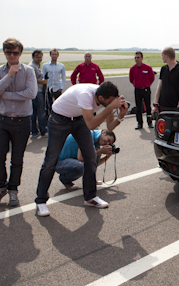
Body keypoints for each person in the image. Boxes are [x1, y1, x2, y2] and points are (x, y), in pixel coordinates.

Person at [35, 81, 128, 217]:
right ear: (101, 98)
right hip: (59, 118)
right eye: (111, 102)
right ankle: (41, 201)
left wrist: (120, 116)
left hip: (79, 119)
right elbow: (91, 124)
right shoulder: (86, 95)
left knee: (90, 158)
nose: (112, 104)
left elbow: (110, 127)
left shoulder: (106, 98)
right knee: (51, 161)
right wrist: (109, 108)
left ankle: (90, 197)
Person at [0, 38, 37, 207]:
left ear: (20, 53)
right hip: (1, 119)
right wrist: (9, 76)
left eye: (15, 52)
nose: (11, 56)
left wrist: (6, 94)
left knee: (17, 159)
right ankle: (1, 187)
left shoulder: (28, 71)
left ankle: (13, 191)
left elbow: (31, 93)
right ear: (4, 53)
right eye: (8, 52)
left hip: (22, 121)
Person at [152, 47, 179, 113]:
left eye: (162, 56)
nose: (161, 57)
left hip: (174, 106)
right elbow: (159, 87)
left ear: (166, 56)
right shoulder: (163, 69)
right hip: (162, 105)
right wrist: (155, 104)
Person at [129, 51, 155, 129]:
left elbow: (152, 78)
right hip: (137, 90)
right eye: (135, 57)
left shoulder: (147, 68)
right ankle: (139, 123)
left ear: (142, 58)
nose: (136, 59)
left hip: (146, 89)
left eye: (138, 57)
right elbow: (131, 79)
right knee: (138, 107)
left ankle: (149, 122)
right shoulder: (132, 69)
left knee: (148, 107)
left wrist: (146, 85)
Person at [28, 50, 48, 138]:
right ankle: (43, 131)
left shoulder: (36, 65)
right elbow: (32, 79)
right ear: (33, 57)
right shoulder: (32, 66)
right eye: (37, 57)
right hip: (37, 92)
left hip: (36, 91)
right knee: (41, 112)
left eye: (40, 57)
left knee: (34, 112)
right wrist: (43, 82)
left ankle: (35, 131)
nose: (39, 59)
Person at [42, 48, 66, 114]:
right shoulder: (45, 65)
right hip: (49, 88)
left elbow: (63, 77)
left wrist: (61, 87)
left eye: (55, 54)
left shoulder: (61, 66)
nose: (54, 56)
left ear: (58, 55)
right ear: (50, 55)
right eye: (53, 54)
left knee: (59, 105)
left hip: (57, 88)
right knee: (49, 105)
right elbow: (43, 77)